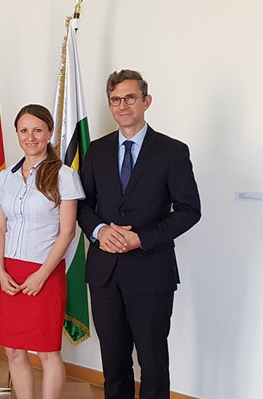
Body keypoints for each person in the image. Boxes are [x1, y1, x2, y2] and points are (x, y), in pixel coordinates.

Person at [77, 70, 201, 399]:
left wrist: (140, 238)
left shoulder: (172, 151)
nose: (122, 105)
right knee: (114, 364)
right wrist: (100, 230)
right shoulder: (97, 151)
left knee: (152, 363)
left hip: (151, 273)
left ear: (146, 101)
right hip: (104, 274)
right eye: (116, 99)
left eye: (130, 98)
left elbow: (190, 210)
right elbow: (82, 205)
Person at [0, 104, 85, 399]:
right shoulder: (6, 176)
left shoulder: (64, 175)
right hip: (10, 272)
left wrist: (41, 275)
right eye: (23, 130)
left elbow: (68, 231)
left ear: (49, 133)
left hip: (45, 272)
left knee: (47, 352)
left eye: (37, 130)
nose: (30, 137)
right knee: (13, 349)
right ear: (17, 134)